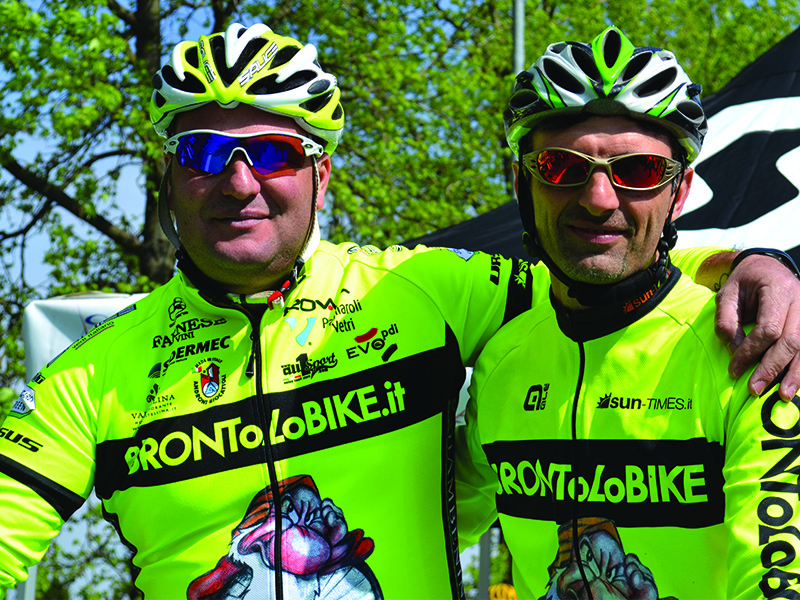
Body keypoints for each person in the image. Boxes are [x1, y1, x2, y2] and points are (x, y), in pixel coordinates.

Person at [0, 23, 798, 600]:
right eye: (204, 152)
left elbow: (600, 270)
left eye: (275, 154)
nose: (240, 182)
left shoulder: (422, 289)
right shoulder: (93, 373)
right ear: (169, 177)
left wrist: (756, 264)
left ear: (322, 177)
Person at [455, 25, 800, 599]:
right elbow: (422, 529)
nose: (599, 199)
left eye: (637, 171)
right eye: (560, 167)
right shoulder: (502, 357)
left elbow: (779, 575)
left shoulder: (750, 348)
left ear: (680, 193)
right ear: (521, 183)